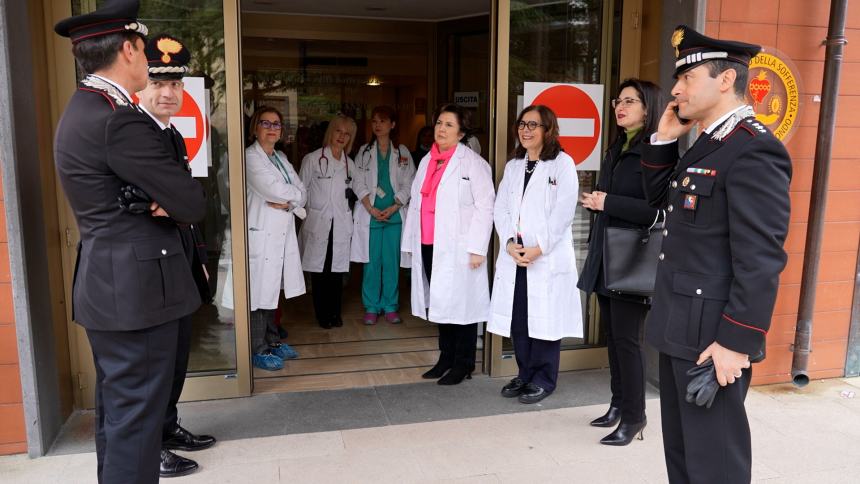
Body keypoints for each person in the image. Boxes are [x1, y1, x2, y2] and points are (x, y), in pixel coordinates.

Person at [53, 1, 206, 482]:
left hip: (111, 286)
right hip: (137, 292)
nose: (148, 65)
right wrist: (166, 199)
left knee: (120, 420)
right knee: (137, 427)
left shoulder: (84, 107)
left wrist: (160, 198)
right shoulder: (119, 118)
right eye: (143, 52)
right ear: (128, 49)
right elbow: (190, 201)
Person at [641, 26, 791, 483]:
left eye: (687, 76)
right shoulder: (711, 142)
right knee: (684, 458)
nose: (676, 88)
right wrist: (665, 139)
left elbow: (760, 258)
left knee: (716, 463)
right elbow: (660, 204)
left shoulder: (753, 147)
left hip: (713, 338)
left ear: (726, 80)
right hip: (680, 324)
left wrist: (736, 343)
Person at [134, 33, 217, 477]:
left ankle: (168, 426)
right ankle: (152, 446)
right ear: (140, 86)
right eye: (158, 83)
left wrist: (196, 254)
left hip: (179, 255)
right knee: (155, 363)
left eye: (176, 84)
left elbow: (186, 203)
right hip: (152, 263)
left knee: (178, 353)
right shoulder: (133, 133)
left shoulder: (169, 135)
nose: (168, 93)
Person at [577, 79, 665, 445]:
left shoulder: (656, 151)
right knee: (613, 337)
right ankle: (618, 404)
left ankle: (635, 417)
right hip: (607, 253)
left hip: (632, 257)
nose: (621, 106)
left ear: (649, 108)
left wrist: (606, 202)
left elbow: (658, 211)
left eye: (631, 101)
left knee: (629, 341)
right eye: (619, 100)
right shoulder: (617, 147)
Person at [488, 105, 582, 404]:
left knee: (544, 319)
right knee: (519, 320)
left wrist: (539, 247)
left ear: (547, 130)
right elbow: (500, 208)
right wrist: (509, 244)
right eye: (522, 124)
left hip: (545, 257)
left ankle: (544, 378)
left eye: (533, 125)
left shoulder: (562, 164)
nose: (525, 130)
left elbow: (563, 212)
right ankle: (525, 372)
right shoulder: (514, 166)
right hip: (516, 256)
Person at [401, 103, 495, 385]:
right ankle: (445, 358)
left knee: (463, 307)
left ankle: (463, 363)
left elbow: (486, 207)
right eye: (439, 123)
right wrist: (411, 242)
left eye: (449, 125)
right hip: (430, 244)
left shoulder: (474, 164)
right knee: (441, 303)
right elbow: (417, 203)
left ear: (461, 132)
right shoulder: (428, 160)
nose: (441, 129)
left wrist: (478, 248)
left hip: (461, 248)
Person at [245, 106, 306, 370]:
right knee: (259, 291)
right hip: (261, 234)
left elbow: (302, 191)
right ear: (255, 127)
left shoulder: (280, 157)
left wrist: (291, 202)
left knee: (272, 290)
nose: (272, 128)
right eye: (266, 123)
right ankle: (258, 348)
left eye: (277, 124)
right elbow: (273, 189)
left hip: (280, 235)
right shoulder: (250, 157)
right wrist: (292, 197)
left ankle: (272, 340)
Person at [351, 106, 416, 325]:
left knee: (391, 263)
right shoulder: (364, 151)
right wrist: (370, 208)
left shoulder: (403, 152)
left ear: (392, 125)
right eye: (374, 121)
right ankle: (371, 306)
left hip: (394, 217)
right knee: (372, 263)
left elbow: (410, 182)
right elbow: (357, 181)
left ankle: (390, 305)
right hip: (371, 216)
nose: (377, 125)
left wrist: (395, 205)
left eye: (383, 121)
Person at [299, 114, 358, 329]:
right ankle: (323, 314)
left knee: (336, 272)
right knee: (320, 272)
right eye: (338, 131)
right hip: (319, 222)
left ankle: (335, 312)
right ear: (330, 132)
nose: (342, 136)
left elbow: (359, 191)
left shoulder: (350, 165)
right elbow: (300, 190)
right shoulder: (313, 159)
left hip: (340, 224)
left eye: (347, 134)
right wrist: (303, 215)